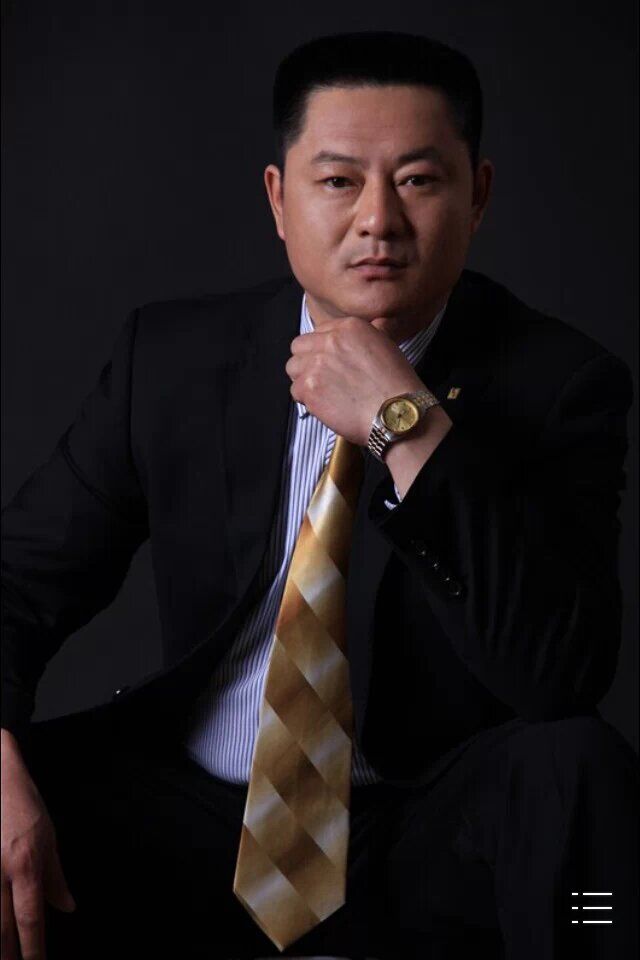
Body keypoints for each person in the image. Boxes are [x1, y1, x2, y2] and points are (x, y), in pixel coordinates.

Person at [1, 29, 637, 960]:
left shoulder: (561, 385)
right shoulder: (174, 362)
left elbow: (560, 675)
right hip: (187, 816)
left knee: (579, 777)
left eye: (418, 180)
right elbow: (17, 582)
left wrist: (404, 424)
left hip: (420, 827)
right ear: (279, 198)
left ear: (478, 196)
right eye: (339, 181)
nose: (378, 219)